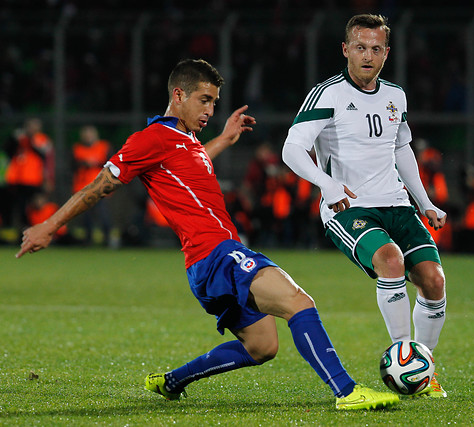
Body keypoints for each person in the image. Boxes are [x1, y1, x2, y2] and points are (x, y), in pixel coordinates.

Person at [15, 59, 398, 411]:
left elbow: (191, 163)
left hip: (205, 265)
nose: (210, 111)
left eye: (214, 102)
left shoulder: (184, 142)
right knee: (298, 301)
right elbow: (101, 184)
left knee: (262, 347)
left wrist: (226, 138)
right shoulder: (151, 139)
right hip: (217, 253)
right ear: (177, 95)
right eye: (204, 100)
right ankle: (347, 392)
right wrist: (49, 225)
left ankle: (172, 382)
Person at [282, 14, 448, 398]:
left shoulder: (395, 95)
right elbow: (291, 148)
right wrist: (326, 183)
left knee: (434, 281)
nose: (367, 56)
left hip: (396, 202)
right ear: (345, 50)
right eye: (360, 47)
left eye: (376, 49)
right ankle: (403, 354)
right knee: (390, 260)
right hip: (348, 207)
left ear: (386, 53)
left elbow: (401, 148)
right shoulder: (328, 94)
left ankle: (423, 371)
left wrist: (425, 202)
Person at [5, 118, 55, 232]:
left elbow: (45, 156)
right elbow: (8, 150)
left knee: (35, 206)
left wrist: (30, 140)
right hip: (19, 180)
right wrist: (15, 138)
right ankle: (21, 232)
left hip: (36, 180)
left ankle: (35, 231)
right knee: (19, 207)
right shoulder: (19, 139)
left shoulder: (42, 139)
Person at [71, 125, 112, 244]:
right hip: (83, 187)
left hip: (101, 186)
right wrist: (83, 163)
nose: (88, 137)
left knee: (103, 214)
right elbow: (72, 165)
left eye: (90, 134)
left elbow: (112, 163)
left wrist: (96, 163)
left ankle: (107, 239)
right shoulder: (77, 148)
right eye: (86, 135)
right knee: (86, 217)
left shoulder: (104, 147)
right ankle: (88, 240)